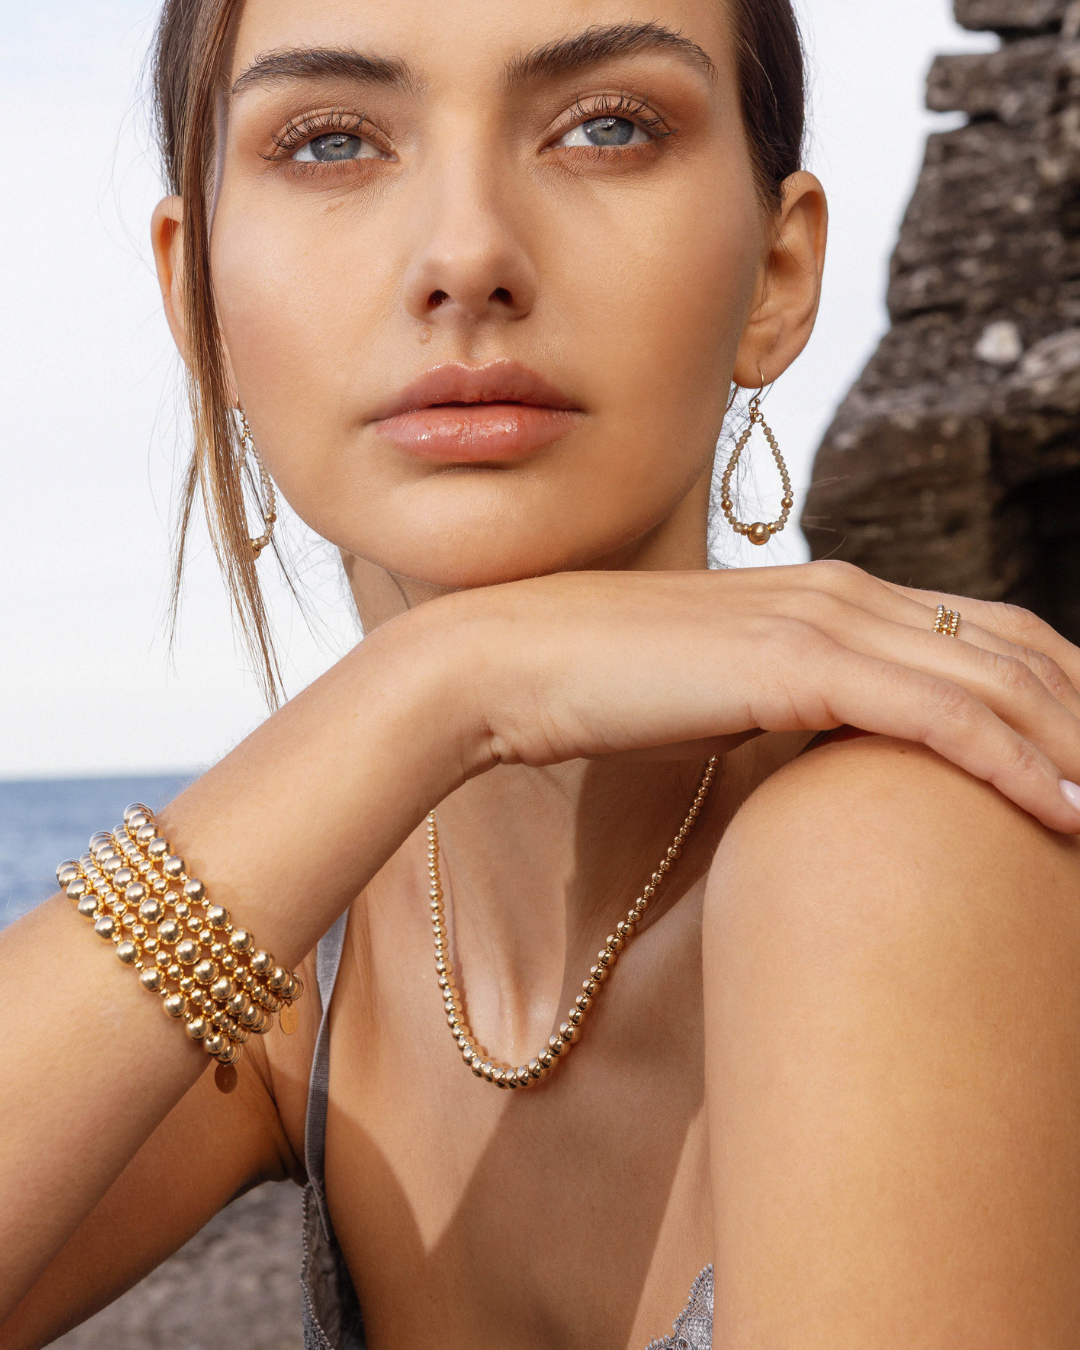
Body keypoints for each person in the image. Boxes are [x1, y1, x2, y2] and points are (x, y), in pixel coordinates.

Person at [5, 0, 1080, 1346]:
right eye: (334, 142)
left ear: (779, 274)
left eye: (608, 127)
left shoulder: (896, 850)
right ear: (196, 294)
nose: (467, 255)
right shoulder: (327, 976)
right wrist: (442, 686)